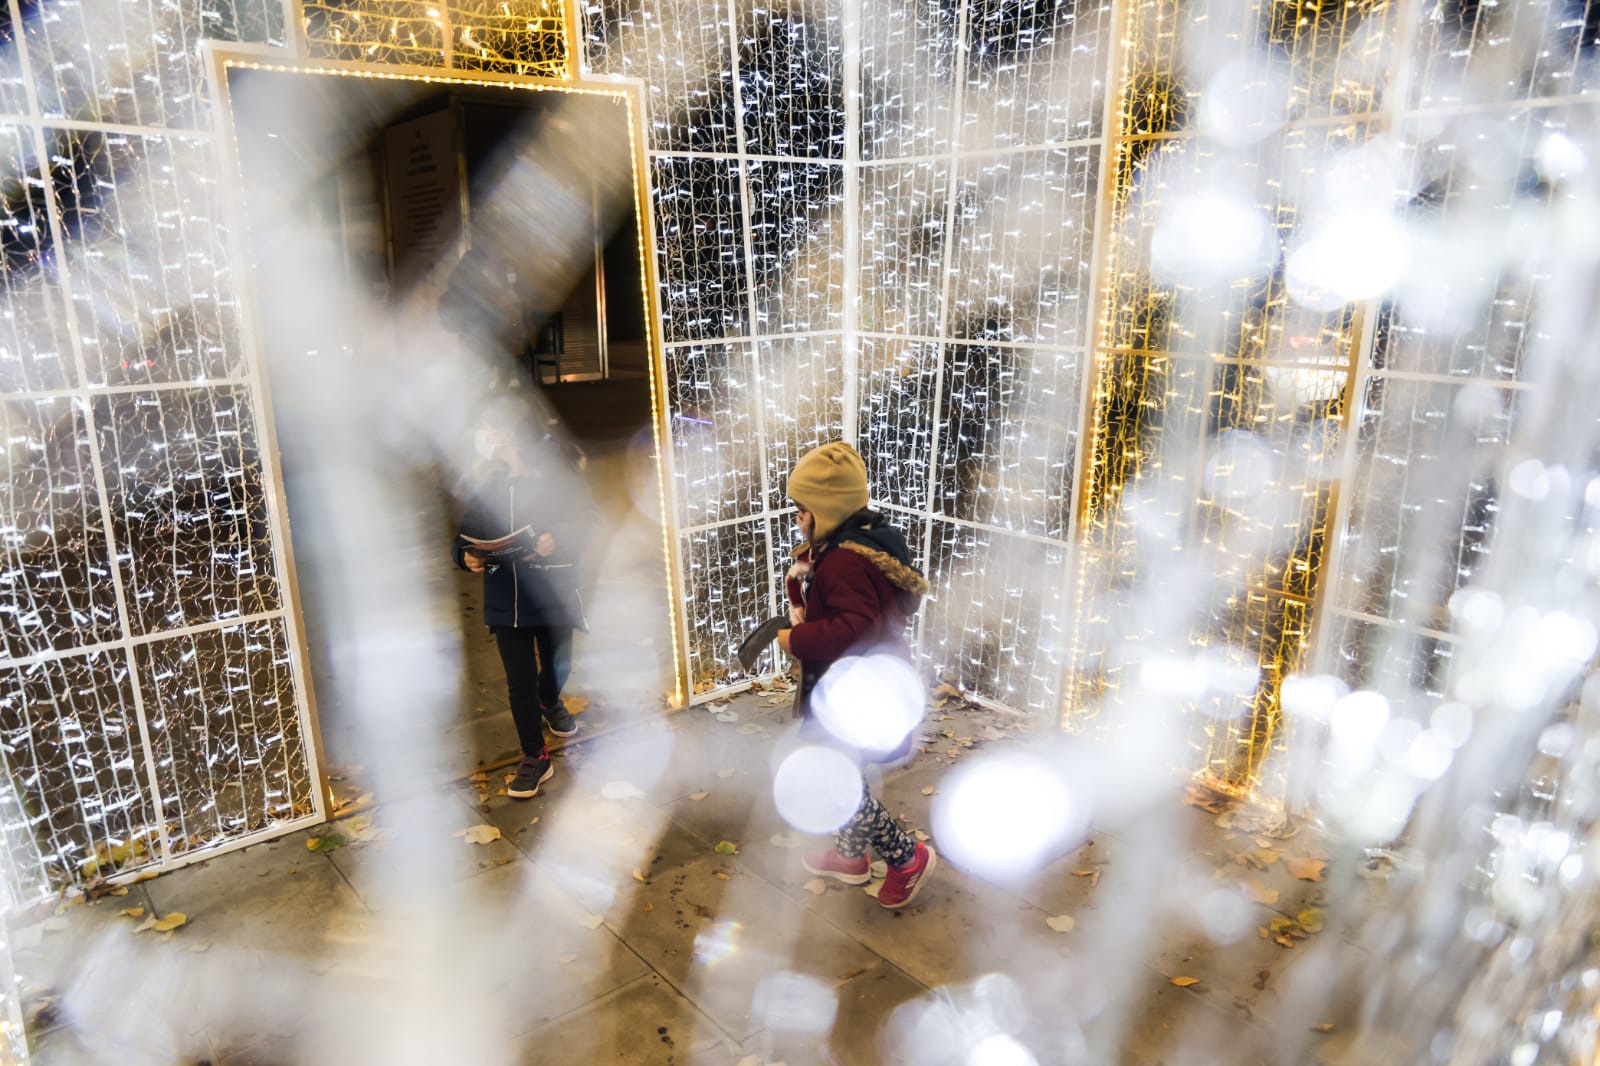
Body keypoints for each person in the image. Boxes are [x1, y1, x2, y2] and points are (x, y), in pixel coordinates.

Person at [777, 441, 937, 909]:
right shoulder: (858, 545)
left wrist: (796, 640)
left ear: (825, 511)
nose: (798, 520)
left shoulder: (845, 561)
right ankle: (851, 856)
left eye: (803, 511)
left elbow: (854, 626)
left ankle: (907, 858)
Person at [453, 402, 588, 799]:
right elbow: (464, 538)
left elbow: (588, 522)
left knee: (558, 664)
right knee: (519, 682)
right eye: (487, 430)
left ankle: (550, 700)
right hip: (504, 596)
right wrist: (466, 556)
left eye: (497, 429)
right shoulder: (486, 484)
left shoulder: (555, 476)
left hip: (552, 592)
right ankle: (535, 755)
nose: (490, 438)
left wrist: (557, 538)